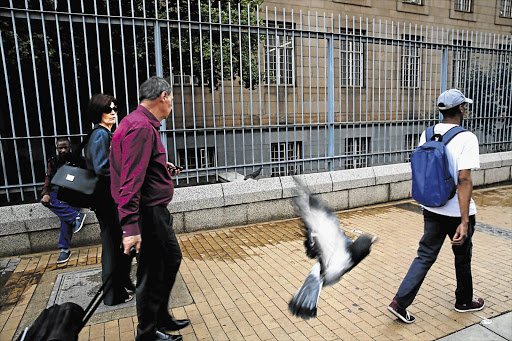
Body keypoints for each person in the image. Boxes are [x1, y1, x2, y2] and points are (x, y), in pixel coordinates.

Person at [388, 89, 484, 324]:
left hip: (431, 207)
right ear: (460, 109)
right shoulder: (467, 138)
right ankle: (463, 301)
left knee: (425, 255)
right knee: (462, 256)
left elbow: (422, 171)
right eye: (464, 106)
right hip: (455, 209)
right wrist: (464, 220)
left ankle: (399, 302)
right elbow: (463, 180)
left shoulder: (427, 134)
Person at [110, 77, 189, 341]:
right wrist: (131, 227)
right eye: (172, 99)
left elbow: (137, 167)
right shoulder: (142, 127)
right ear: (163, 96)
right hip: (148, 212)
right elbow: (129, 181)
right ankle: (147, 333)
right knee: (151, 271)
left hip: (151, 210)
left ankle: (160, 316)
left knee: (170, 260)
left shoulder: (134, 122)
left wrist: (162, 170)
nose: (172, 105)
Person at [84, 93, 135, 306]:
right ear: (98, 113)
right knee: (113, 246)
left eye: (114, 108)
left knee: (117, 244)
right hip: (107, 200)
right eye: (108, 109)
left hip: (107, 199)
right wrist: (126, 173)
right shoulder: (100, 135)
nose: (113, 112)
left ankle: (122, 283)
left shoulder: (104, 133)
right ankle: (113, 294)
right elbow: (102, 168)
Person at [41, 138, 87, 264]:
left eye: (65, 147)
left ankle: (64, 249)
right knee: (45, 200)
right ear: (57, 149)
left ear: (70, 147)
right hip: (59, 191)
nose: (63, 150)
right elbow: (48, 178)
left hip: (75, 192)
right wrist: (45, 193)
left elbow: (87, 176)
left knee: (65, 217)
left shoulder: (79, 159)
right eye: (60, 148)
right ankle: (76, 216)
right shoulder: (53, 161)